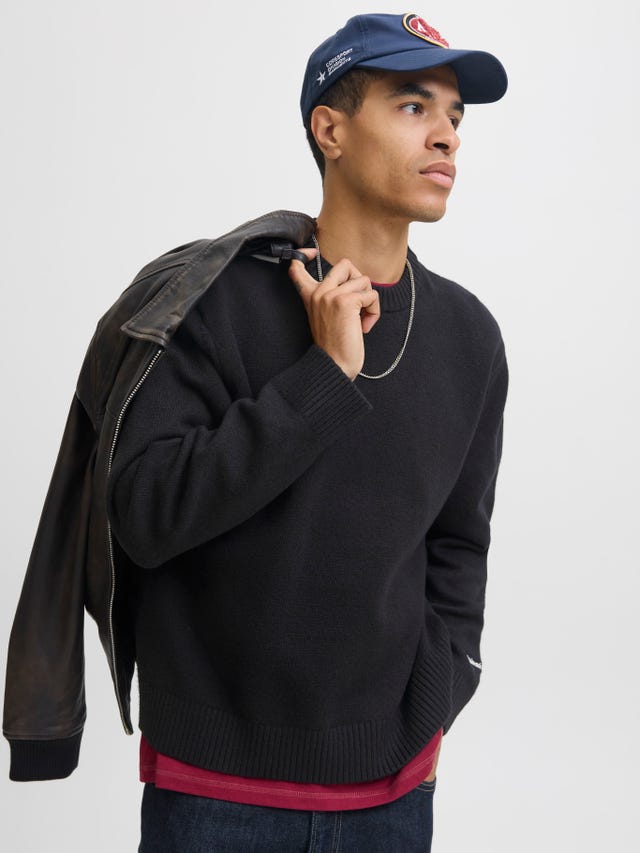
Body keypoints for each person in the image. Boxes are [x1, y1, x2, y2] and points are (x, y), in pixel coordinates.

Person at [5, 12, 509, 853]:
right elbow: (146, 515)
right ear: (330, 130)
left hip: (391, 795)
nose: (447, 135)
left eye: (455, 116)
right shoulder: (210, 301)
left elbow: (459, 545)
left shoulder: (469, 337)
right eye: (414, 106)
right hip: (214, 796)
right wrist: (325, 377)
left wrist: (439, 698)